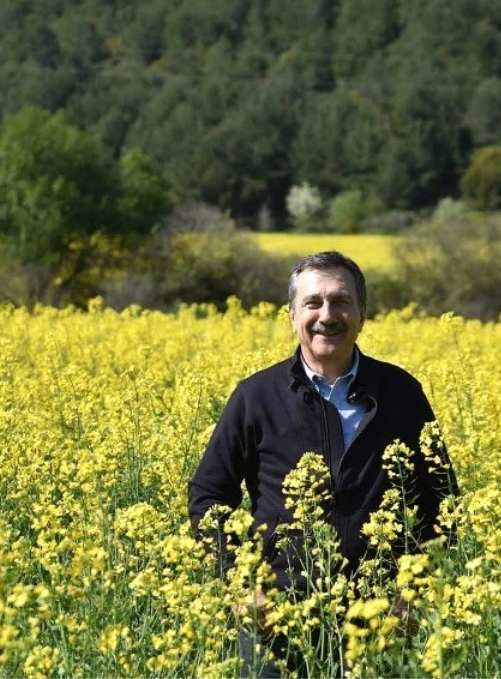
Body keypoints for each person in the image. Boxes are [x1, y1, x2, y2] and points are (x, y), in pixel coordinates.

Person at [188, 251, 458, 677]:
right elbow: (208, 495)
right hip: (279, 619)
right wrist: (243, 586)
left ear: (362, 315)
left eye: (341, 302)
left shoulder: (401, 393)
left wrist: (417, 591)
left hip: (381, 620)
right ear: (292, 315)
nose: (326, 316)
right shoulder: (256, 397)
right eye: (313, 303)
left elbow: (442, 500)